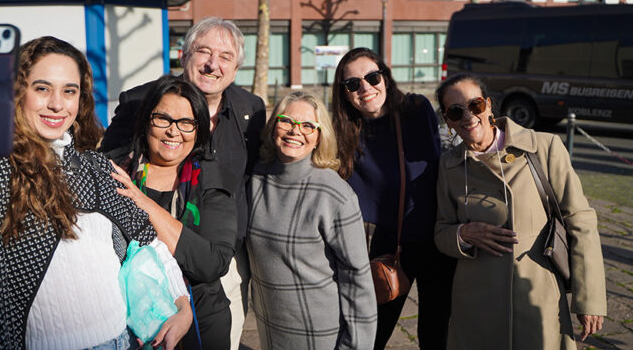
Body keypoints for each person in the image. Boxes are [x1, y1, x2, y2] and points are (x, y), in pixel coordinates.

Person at [0, 13, 192, 349]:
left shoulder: (95, 166)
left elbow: (146, 240)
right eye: (42, 89)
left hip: (121, 341)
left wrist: (181, 303)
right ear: (17, 92)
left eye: (69, 91)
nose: (57, 104)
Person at [100, 17, 265, 350]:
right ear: (184, 55)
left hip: (219, 252)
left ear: (235, 70)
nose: (212, 65)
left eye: (225, 58)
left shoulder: (251, 110)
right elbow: (110, 167)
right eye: (203, 52)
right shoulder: (139, 102)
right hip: (140, 265)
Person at [434, 73, 607, 349]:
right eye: (456, 112)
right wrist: (463, 234)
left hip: (537, 296)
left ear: (489, 106)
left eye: (475, 105)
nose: (468, 116)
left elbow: (580, 220)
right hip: (475, 304)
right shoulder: (449, 165)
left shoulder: (543, 147)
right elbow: (441, 232)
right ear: (449, 122)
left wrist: (591, 299)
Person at [331, 47, 455, 349]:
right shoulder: (345, 134)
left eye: (372, 77)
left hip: (437, 237)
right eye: (353, 84)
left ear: (385, 77)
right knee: (372, 333)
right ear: (345, 93)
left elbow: (435, 164)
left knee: (436, 335)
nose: (365, 88)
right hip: (392, 242)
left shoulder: (416, 109)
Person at [109, 75, 236, 349]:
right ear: (146, 121)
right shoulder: (117, 171)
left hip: (200, 322)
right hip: (129, 321)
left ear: (199, 129)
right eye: (162, 119)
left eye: (186, 123)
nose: (173, 131)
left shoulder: (212, 178)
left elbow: (212, 262)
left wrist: (146, 204)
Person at [245, 91, 377, 349]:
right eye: (287, 121)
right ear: (274, 127)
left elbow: (357, 277)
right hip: (269, 325)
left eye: (308, 125)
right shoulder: (256, 178)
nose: (296, 131)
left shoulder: (334, 194)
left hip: (318, 330)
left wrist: (357, 345)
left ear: (319, 136)